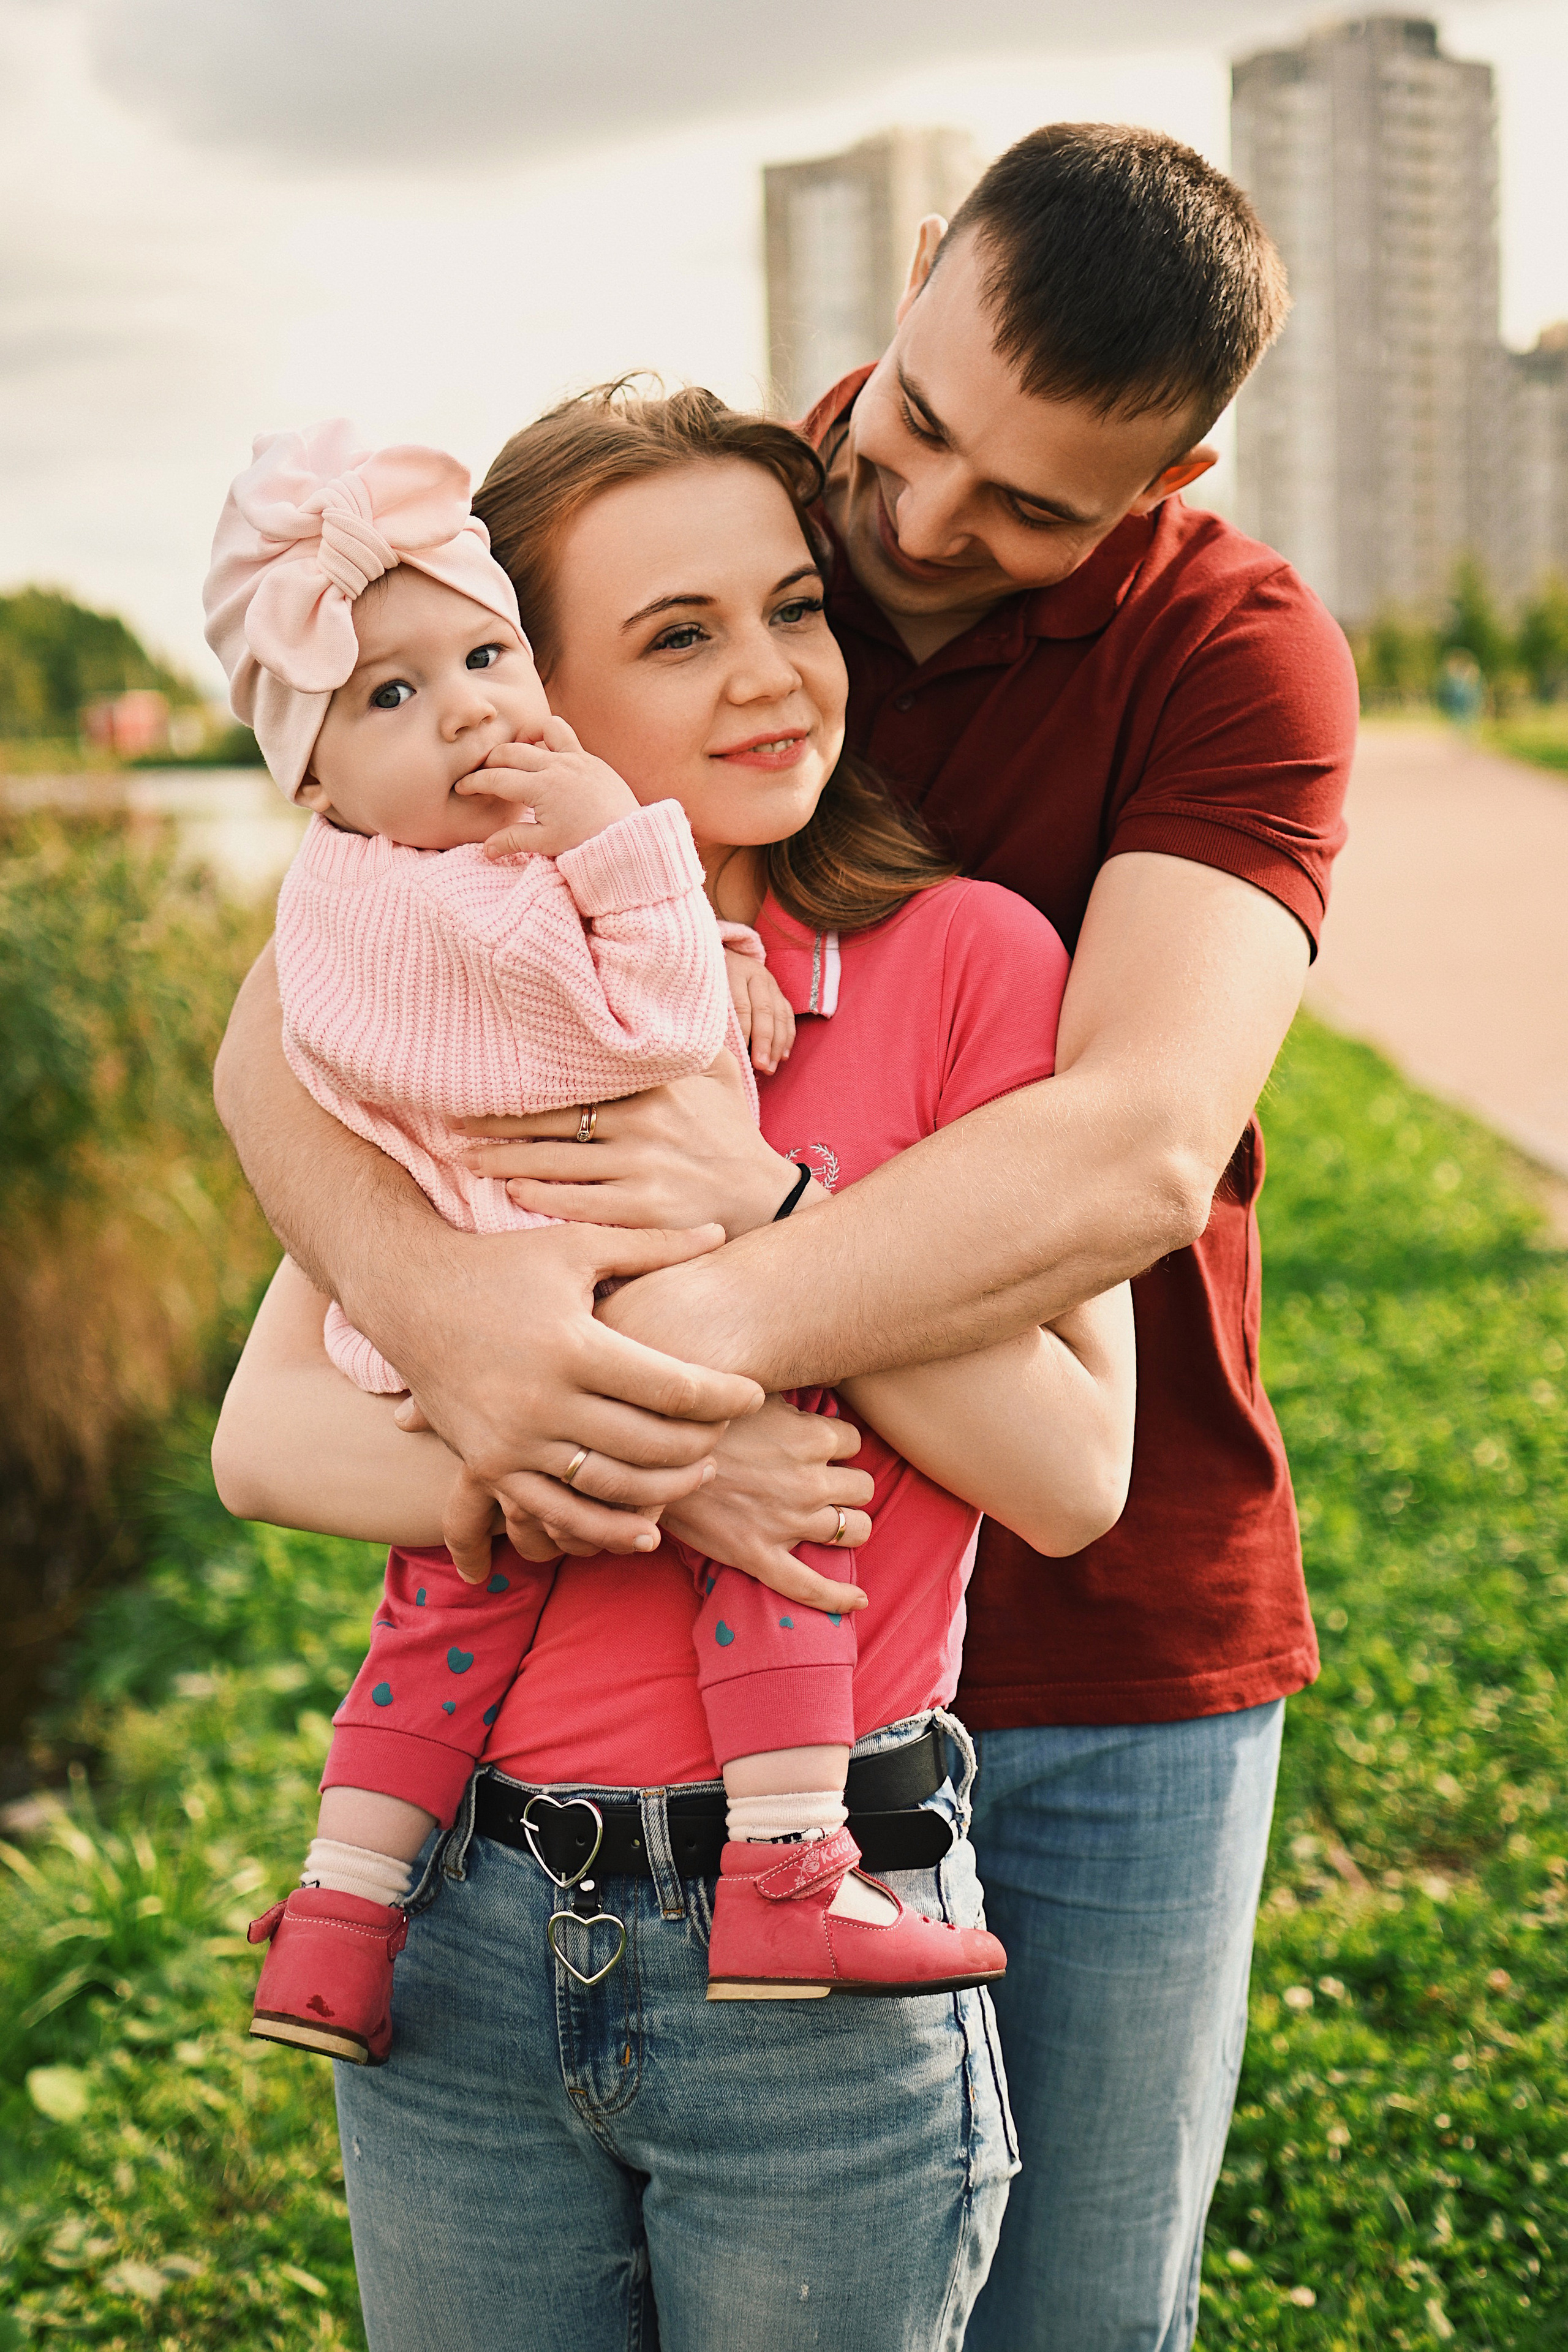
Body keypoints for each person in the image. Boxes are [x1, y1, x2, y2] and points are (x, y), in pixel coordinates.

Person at [215, 126, 1359, 2349]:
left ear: (1175, 473)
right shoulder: (712, 516)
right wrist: (469, 1322)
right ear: (912, 281)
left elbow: (1127, 1155)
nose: (921, 532)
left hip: (1097, 1642)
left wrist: (670, 1337)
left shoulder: (1224, 671)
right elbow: (306, 1013)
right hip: (573, 1779)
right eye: (915, 434)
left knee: (1069, 2305)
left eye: (1030, 509)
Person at [205, 418, 1019, 2049]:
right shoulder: (456, 978)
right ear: (555, 701)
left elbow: (1075, 1477)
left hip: (788, 1971)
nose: (772, 677)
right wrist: (676, 1473)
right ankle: (741, 1884)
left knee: (447, 1612)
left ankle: (336, 1907)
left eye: (797, 609)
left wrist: (768, 1207)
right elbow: (264, 1442)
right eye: (679, 635)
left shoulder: (966, 958)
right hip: (489, 1909)